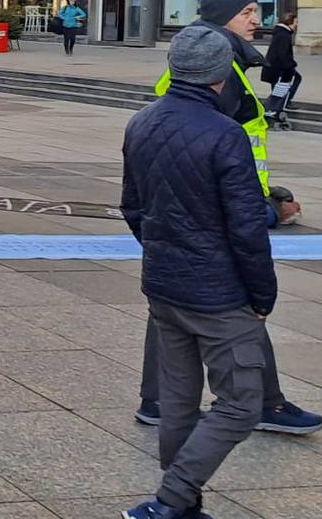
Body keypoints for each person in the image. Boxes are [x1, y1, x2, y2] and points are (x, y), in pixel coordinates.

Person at [140, 0, 321, 437]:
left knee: (171, 305)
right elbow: (211, 146)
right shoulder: (220, 74)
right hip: (214, 209)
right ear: (222, 18)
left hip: (196, 207)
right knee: (240, 306)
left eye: (256, 10)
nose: (255, 19)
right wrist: (257, 211)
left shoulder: (223, 65)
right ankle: (262, 403)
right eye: (247, 11)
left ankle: (159, 400)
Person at [120, 28, 279, 519]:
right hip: (218, 292)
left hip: (164, 285)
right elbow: (247, 226)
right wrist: (261, 295)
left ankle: (184, 506)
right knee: (241, 403)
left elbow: (132, 208)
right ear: (219, 76)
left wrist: (165, 251)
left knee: (179, 400)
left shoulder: (142, 122)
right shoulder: (224, 133)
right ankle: (169, 503)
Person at [261, 10, 300, 130]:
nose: (297, 25)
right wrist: (291, 64)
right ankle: (278, 106)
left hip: (274, 68)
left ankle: (273, 107)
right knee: (283, 87)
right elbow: (282, 54)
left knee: (278, 89)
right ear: (290, 22)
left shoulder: (280, 33)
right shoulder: (284, 35)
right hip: (280, 69)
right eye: (296, 22)